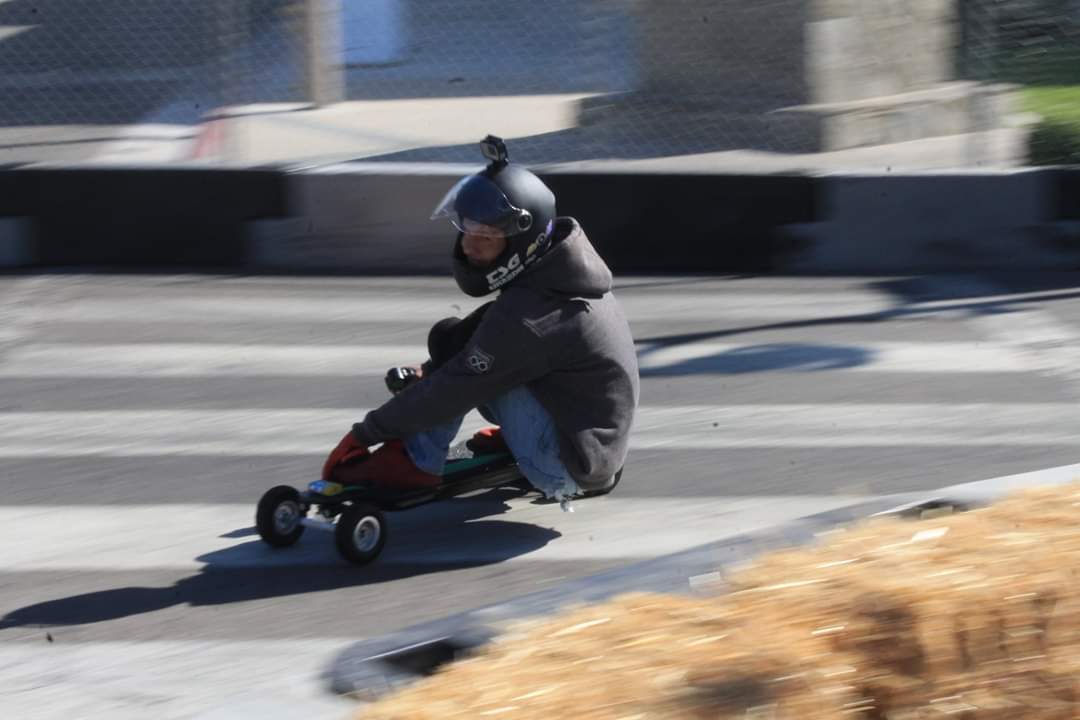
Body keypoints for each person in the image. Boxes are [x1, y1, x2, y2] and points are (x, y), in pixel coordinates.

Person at [321, 136, 640, 507]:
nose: (470, 245)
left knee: (462, 378)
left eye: (487, 236)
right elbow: (481, 338)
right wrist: (431, 369)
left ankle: (413, 464)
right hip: (588, 440)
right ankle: (524, 435)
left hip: (569, 465)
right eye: (468, 229)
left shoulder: (533, 316)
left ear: (524, 240)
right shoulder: (557, 275)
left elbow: (457, 385)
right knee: (454, 341)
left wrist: (365, 433)